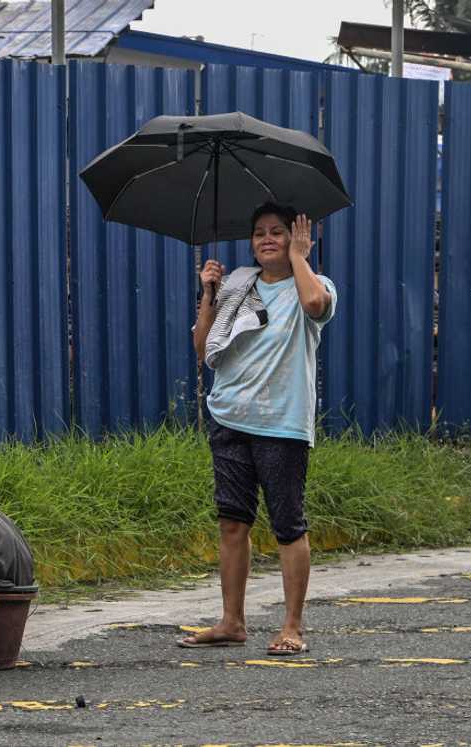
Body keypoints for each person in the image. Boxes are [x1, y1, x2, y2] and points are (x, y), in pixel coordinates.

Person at [180, 202, 336, 656]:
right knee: (232, 523)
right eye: (259, 233)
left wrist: (300, 259)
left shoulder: (316, 284)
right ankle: (232, 622)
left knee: (287, 524)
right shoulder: (237, 286)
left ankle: (292, 628)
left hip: (281, 424)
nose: (267, 239)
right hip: (230, 418)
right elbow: (203, 348)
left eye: (278, 232)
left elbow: (314, 305)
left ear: (296, 238)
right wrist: (209, 293)